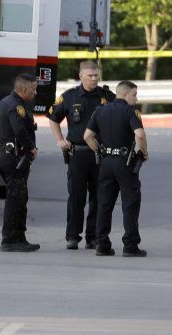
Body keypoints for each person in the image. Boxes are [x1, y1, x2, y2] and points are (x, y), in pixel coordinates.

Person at [48, 60, 115, 250]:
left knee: (99, 196)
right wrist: (60, 140)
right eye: (90, 76)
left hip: (100, 154)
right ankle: (72, 236)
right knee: (76, 196)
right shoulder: (69, 97)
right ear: (81, 76)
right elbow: (53, 118)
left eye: (96, 75)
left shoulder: (107, 96)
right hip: (77, 153)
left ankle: (93, 237)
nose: (94, 79)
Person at [84, 80, 148, 257]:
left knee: (104, 203)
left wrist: (100, 150)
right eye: (134, 94)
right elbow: (140, 135)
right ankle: (130, 245)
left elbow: (87, 135)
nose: (136, 98)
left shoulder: (100, 110)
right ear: (125, 94)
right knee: (130, 203)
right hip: (125, 163)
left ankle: (102, 244)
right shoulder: (131, 111)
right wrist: (144, 152)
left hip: (106, 163)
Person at [0, 74, 40, 252]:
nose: (35, 92)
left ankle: (19, 237)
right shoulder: (16, 106)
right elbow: (19, 130)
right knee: (16, 199)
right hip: (15, 158)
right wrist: (31, 148)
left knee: (18, 197)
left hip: (8, 156)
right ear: (23, 89)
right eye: (33, 89)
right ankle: (10, 240)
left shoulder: (5, 102)